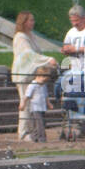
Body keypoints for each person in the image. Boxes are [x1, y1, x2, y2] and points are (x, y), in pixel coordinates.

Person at [11, 10, 57, 141]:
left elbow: (37, 52)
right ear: (24, 22)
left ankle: (32, 131)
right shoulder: (20, 37)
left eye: (33, 20)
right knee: (25, 103)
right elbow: (28, 55)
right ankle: (23, 132)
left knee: (32, 105)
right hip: (23, 75)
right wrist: (47, 60)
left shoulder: (30, 35)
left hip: (32, 74)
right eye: (31, 20)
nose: (33, 22)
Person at [22, 63, 58, 143]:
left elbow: (45, 96)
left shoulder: (43, 85)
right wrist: (23, 104)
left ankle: (34, 137)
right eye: (44, 79)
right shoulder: (33, 85)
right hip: (35, 107)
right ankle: (42, 138)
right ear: (38, 76)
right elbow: (27, 96)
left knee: (40, 123)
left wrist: (49, 104)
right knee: (39, 123)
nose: (44, 81)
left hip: (42, 107)